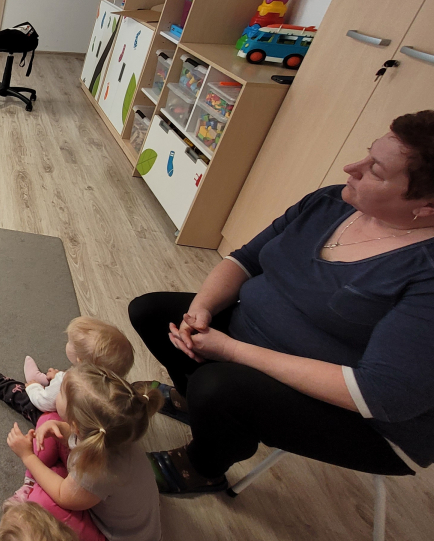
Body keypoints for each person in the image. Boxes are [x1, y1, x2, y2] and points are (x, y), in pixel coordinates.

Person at [130, 112, 434, 493]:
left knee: (217, 386)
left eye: (375, 170)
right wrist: (201, 310)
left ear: (426, 207)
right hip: (256, 344)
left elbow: (378, 393)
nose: (351, 168)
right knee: (151, 313)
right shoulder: (330, 202)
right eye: (367, 154)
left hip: (363, 417)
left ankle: (203, 466)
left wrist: (232, 351)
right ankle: (199, 406)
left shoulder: (425, 272)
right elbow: (244, 260)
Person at [0, 364, 162, 541]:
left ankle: (33, 483)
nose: (56, 392)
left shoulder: (98, 468)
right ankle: (36, 479)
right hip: (94, 491)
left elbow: (62, 495)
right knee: (49, 420)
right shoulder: (115, 433)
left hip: (113, 539)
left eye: (60, 393)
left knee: (39, 502)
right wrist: (60, 428)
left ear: (76, 425)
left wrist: (27, 456)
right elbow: (74, 436)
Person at [0, 317, 135, 424]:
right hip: (83, 417)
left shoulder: (69, 381)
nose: (67, 342)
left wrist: (33, 387)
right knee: (54, 382)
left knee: (18, 394)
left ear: (80, 361)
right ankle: (42, 379)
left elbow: (43, 402)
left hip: (58, 418)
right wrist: (58, 376)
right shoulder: (114, 386)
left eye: (70, 342)